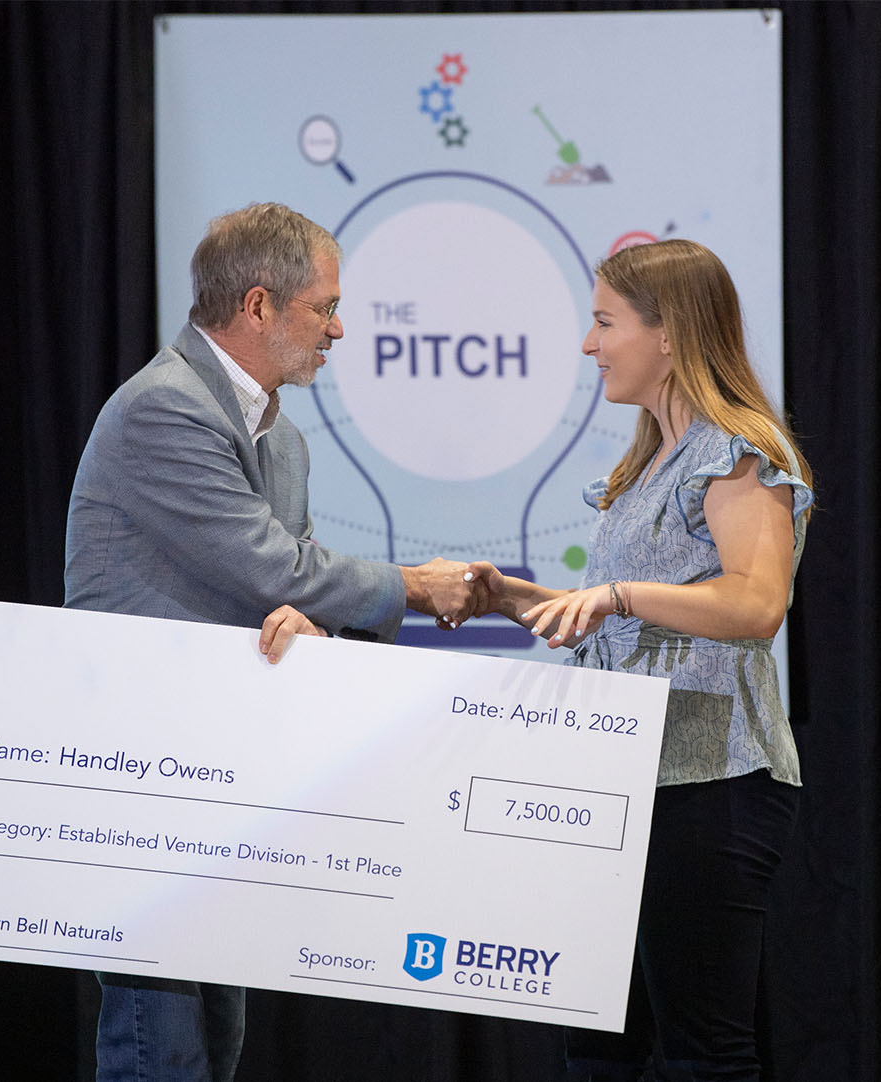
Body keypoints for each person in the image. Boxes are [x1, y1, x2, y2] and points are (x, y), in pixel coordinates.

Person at [64, 201, 482, 1082]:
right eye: (324, 307)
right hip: (142, 775)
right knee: (159, 1049)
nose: (339, 327)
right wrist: (410, 585)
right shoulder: (162, 409)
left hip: (230, 769)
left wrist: (315, 622)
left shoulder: (281, 436)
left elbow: (282, 601)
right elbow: (268, 564)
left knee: (217, 1045)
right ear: (258, 306)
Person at [468, 238, 813, 1081]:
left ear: (669, 334)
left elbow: (755, 604)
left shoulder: (737, 448)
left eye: (603, 323)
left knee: (703, 1052)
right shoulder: (651, 456)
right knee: (595, 1042)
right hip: (620, 780)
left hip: (710, 782)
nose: (589, 346)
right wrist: (511, 597)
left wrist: (619, 595)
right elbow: (628, 618)